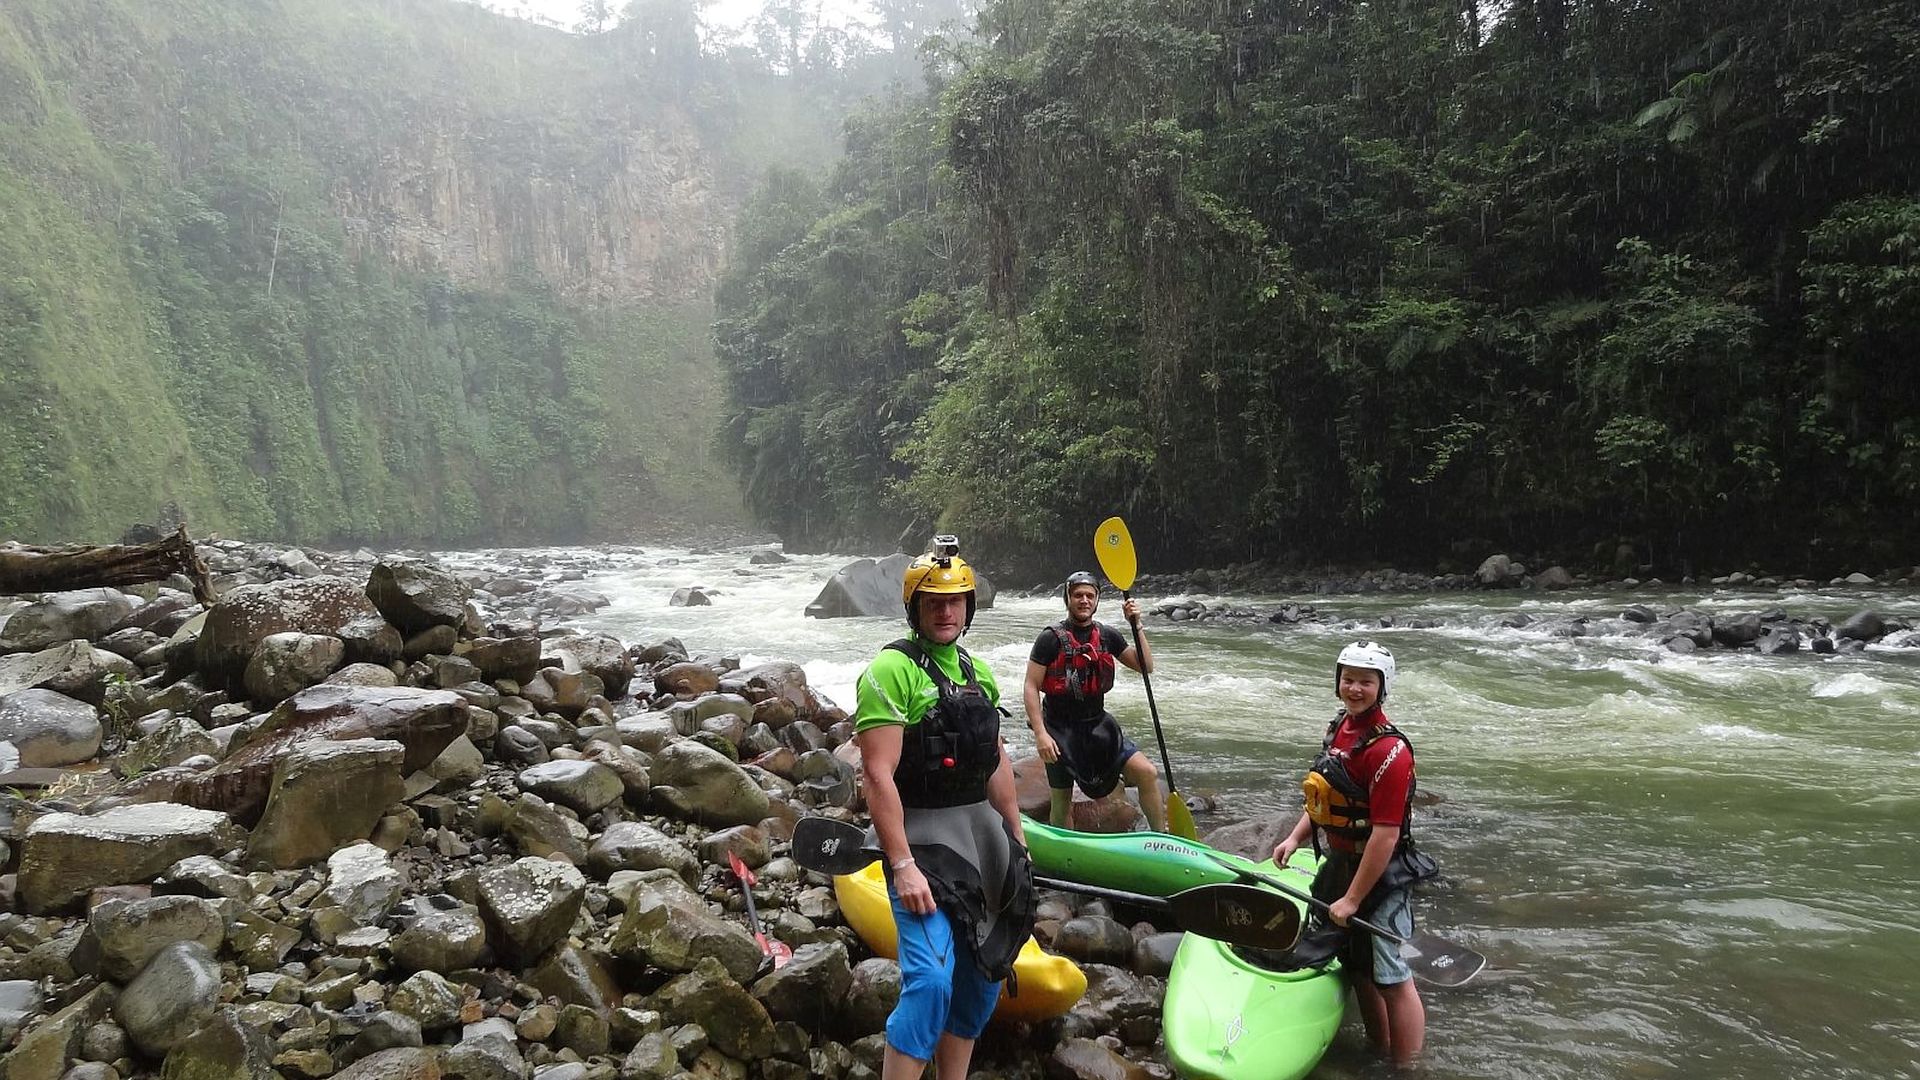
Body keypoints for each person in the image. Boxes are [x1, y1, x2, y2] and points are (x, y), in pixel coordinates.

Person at [852, 537, 1034, 1080]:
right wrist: (902, 863)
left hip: (983, 837)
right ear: (915, 608)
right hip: (924, 841)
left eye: (956, 601)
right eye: (934, 602)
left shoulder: (980, 673)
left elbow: (996, 764)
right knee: (931, 981)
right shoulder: (891, 671)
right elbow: (877, 774)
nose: (947, 611)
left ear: (970, 608)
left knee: (984, 973)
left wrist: (1018, 842)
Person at [1271, 641, 1435, 1068]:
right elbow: (1325, 802)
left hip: (1381, 876)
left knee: (1393, 976)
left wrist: (1353, 899)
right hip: (1341, 865)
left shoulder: (1389, 752)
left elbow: (1384, 834)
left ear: (1382, 688)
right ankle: (1377, 1049)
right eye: (1348, 679)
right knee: (1359, 967)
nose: (1355, 689)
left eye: (1366, 681)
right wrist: (1294, 838)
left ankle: (1408, 1068)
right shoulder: (1338, 729)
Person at [1022, 570, 1164, 832]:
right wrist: (1041, 734)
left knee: (1147, 772)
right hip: (1060, 729)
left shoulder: (1108, 635)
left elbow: (1146, 666)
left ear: (1097, 600)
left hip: (1098, 726)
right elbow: (1031, 686)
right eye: (1078, 595)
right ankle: (1065, 851)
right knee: (1061, 801)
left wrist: (1137, 625)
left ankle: (1161, 837)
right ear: (1068, 598)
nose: (1084, 600)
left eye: (1090, 595)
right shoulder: (1050, 639)